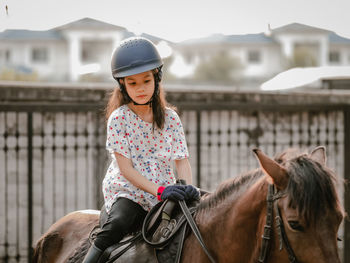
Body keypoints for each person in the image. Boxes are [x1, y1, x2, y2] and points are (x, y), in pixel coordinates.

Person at [83, 37, 199, 263]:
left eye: (146, 80)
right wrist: (159, 191)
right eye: (132, 83)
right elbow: (125, 169)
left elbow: (182, 161)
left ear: (157, 78)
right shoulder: (118, 119)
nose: (141, 88)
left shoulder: (171, 119)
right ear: (123, 85)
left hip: (165, 191)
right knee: (118, 223)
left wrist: (185, 187)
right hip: (130, 191)